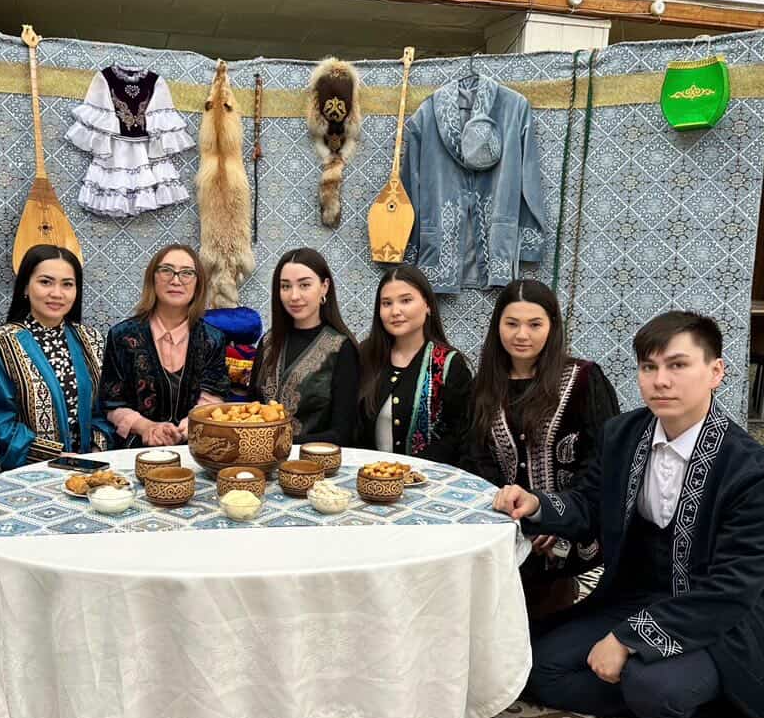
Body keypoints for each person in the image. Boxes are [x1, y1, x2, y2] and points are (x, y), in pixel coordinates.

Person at [494, 311, 764, 718]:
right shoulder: (623, 434)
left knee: (653, 687)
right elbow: (590, 504)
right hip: (633, 596)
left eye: (678, 365)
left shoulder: (751, 471)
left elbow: (734, 587)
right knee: (535, 667)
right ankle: (712, 704)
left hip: (720, 616)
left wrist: (628, 639)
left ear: (715, 371)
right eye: (649, 367)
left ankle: (707, 697)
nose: (660, 381)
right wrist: (538, 505)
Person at [461, 279, 619, 616]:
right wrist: (515, 518)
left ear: (552, 327)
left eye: (535, 324)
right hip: (503, 527)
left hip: (566, 536)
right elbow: (476, 458)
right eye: (512, 323)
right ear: (497, 326)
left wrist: (552, 515)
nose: (522, 335)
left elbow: (602, 460)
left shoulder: (584, 379)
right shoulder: (484, 387)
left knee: (548, 623)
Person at [0, 245, 115, 469]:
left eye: (67, 284)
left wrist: (94, 450)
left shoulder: (91, 340)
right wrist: (56, 457)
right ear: (26, 286)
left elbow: (105, 407)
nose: (57, 293)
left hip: (89, 467)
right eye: (45, 282)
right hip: (29, 472)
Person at [100, 244, 229, 447]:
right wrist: (147, 427)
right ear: (153, 278)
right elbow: (112, 404)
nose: (176, 280)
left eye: (187, 273)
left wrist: (189, 427)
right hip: (135, 450)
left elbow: (213, 399)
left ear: (198, 284)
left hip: (196, 448)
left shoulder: (213, 339)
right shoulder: (122, 336)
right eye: (166, 270)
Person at [357, 265, 471, 464]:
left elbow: (460, 435)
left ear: (428, 305)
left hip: (428, 477)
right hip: (367, 475)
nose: (395, 311)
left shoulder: (448, 363)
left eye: (406, 300)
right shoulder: (366, 355)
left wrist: (411, 470)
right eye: (386, 303)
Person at [248, 248, 359, 445]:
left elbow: (342, 433)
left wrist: (286, 443)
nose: (294, 296)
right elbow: (249, 410)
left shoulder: (341, 348)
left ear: (324, 287)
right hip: (260, 458)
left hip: (314, 460)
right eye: (285, 286)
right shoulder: (268, 342)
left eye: (304, 285)